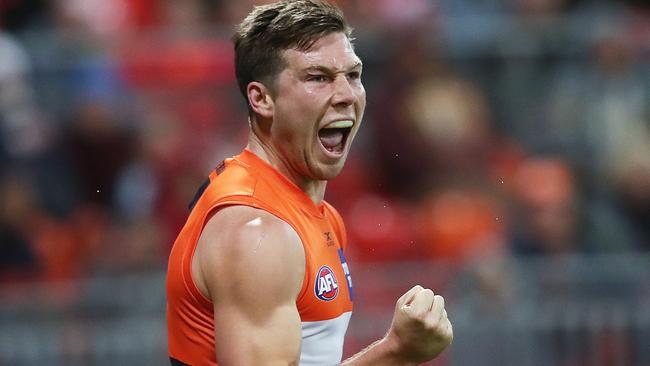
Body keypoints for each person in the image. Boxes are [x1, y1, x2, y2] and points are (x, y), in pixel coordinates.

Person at [166, 1, 453, 365]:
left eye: (352, 75)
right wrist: (395, 352)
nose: (346, 95)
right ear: (261, 99)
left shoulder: (317, 215)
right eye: (318, 77)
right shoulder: (257, 234)